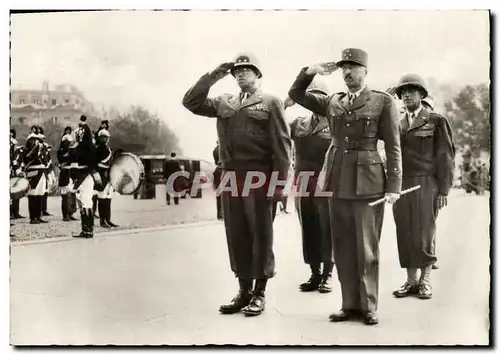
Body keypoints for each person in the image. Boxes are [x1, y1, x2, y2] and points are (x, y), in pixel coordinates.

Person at [288, 48, 402, 325]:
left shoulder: (381, 102)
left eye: (353, 67)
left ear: (365, 71)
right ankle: (349, 304)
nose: (347, 72)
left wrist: (394, 185)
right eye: (343, 68)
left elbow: (394, 145)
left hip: (368, 182)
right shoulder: (333, 102)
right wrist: (310, 70)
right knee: (342, 247)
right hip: (336, 180)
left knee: (366, 248)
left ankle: (369, 306)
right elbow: (296, 95)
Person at [183, 52, 292, 317]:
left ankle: (260, 292)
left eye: (247, 70)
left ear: (258, 75)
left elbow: (282, 146)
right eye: (237, 71)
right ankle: (244, 291)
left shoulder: (271, 103)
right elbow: (191, 102)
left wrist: (278, 185)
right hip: (231, 177)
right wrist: (214, 75)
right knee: (237, 234)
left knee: (261, 235)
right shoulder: (224, 102)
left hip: (260, 176)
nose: (241, 74)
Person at [392, 74, 455, 300]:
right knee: (405, 231)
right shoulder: (397, 124)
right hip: (402, 184)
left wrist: (443, 190)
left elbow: (445, 157)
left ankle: (426, 280)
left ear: (422, 94)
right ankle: (411, 281)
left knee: (424, 232)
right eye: (402, 92)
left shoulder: (436, 120)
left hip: (427, 183)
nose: (406, 95)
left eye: (411, 91)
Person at [284, 77, 335, 294]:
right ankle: (314, 272)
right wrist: (284, 106)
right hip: (303, 182)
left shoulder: (336, 124)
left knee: (327, 227)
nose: (314, 101)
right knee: (308, 227)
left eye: (319, 97)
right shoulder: (298, 124)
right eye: (310, 96)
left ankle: (328, 274)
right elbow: (277, 130)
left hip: (326, 182)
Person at [70, 115, 97, 238]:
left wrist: (75, 179)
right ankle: (88, 229)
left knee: (84, 203)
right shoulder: (90, 147)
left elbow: (76, 165)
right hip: (88, 177)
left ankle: (87, 230)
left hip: (84, 177)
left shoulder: (81, 148)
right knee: (87, 203)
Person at [23, 125, 49, 224]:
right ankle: (33, 217)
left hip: (42, 170)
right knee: (33, 193)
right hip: (34, 170)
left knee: (40, 193)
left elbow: (45, 158)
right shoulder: (31, 142)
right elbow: (29, 156)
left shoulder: (42, 144)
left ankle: (38, 216)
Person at [95, 129, 119, 228]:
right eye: (103, 137)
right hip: (101, 175)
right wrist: (96, 176)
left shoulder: (107, 149)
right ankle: (102, 221)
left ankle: (108, 219)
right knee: (102, 198)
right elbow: (94, 163)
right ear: (100, 138)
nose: (105, 139)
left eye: (106, 137)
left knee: (108, 198)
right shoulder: (97, 149)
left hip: (108, 175)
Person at [57, 127, 78, 221]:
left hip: (71, 173)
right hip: (65, 173)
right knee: (65, 196)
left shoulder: (73, 151)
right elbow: (63, 160)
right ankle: (65, 214)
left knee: (72, 194)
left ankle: (71, 213)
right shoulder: (60, 152)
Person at [10, 128, 25, 219]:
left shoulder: (17, 151)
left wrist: (20, 169)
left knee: (17, 193)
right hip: (11, 172)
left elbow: (19, 161)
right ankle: (11, 212)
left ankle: (16, 212)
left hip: (16, 172)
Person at [38, 126, 53, 217]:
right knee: (40, 190)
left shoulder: (45, 147)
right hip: (41, 170)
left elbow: (49, 158)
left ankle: (44, 209)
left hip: (46, 170)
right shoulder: (38, 147)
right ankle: (39, 210)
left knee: (45, 190)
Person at [213, 142, 223, 220]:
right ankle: (222, 214)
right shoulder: (223, 148)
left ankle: (219, 215)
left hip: (218, 183)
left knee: (219, 198)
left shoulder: (215, 150)